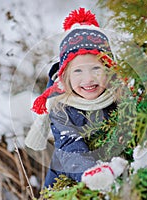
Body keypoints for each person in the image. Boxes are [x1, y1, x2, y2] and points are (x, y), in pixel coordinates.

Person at [25, 7, 126, 188]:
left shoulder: (119, 95)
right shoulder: (61, 106)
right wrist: (89, 172)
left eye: (96, 69)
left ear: (109, 70)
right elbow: (70, 144)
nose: (88, 79)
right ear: (65, 76)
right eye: (78, 71)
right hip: (69, 179)